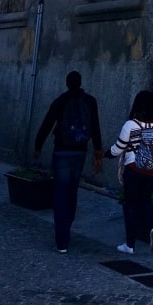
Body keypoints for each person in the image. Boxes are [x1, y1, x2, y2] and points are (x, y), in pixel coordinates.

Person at [33, 70, 103, 253]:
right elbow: (95, 127)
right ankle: (68, 226)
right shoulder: (90, 101)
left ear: (66, 83)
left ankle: (62, 240)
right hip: (80, 152)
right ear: (80, 83)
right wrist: (98, 153)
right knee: (72, 191)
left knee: (60, 194)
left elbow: (47, 124)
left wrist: (37, 145)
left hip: (62, 151)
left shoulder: (60, 101)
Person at [104, 89, 153, 254]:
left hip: (133, 170)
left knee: (130, 206)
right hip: (151, 171)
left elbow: (118, 148)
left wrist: (105, 154)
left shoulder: (131, 125)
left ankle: (130, 245)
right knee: (146, 201)